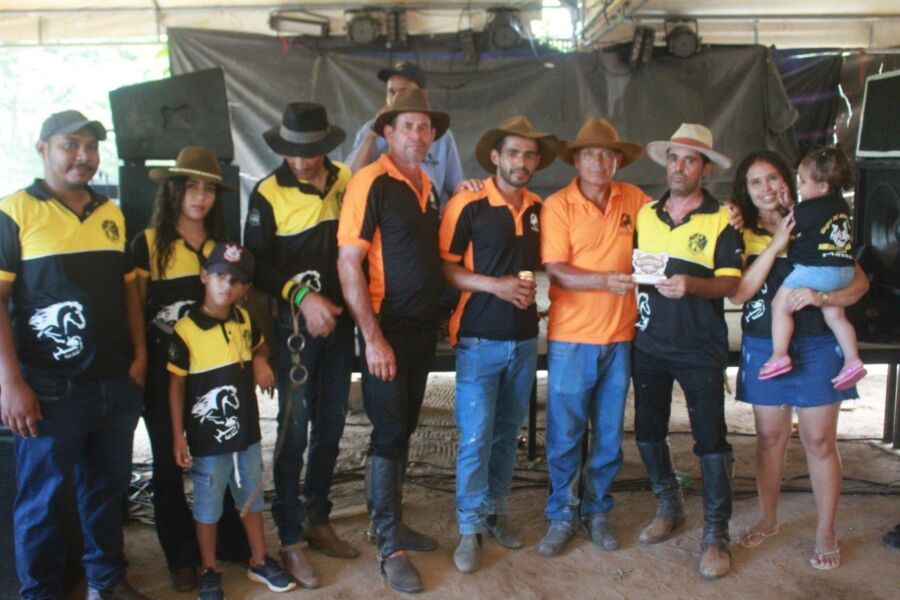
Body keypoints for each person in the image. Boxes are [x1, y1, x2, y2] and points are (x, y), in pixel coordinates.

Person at [0, 110, 148, 599]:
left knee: (106, 490)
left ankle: (105, 580)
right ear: (43, 149)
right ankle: (40, 593)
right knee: (42, 501)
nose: (83, 156)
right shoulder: (14, 213)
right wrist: (10, 382)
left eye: (91, 146)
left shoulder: (111, 213)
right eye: (70, 145)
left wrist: (140, 354)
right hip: (49, 388)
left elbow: (129, 291)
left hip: (115, 382)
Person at [729, 149, 869, 571]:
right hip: (764, 345)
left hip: (819, 345)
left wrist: (822, 297)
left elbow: (859, 283)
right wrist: (777, 243)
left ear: (790, 181)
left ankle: (825, 531)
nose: (766, 188)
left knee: (820, 441)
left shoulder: (821, 218)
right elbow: (740, 293)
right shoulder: (740, 231)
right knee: (770, 438)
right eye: (755, 182)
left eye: (773, 177)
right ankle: (768, 518)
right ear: (746, 191)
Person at [337, 87, 448, 593]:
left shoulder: (428, 185)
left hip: (422, 329)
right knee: (386, 433)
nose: (418, 135)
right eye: (408, 126)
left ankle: (392, 522)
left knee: (403, 428)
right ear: (387, 132)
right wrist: (372, 337)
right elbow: (349, 263)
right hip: (387, 327)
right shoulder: (369, 181)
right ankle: (388, 546)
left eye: (425, 127)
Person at [244, 103, 357, 588]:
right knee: (294, 430)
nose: (302, 161)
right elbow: (255, 267)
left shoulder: (346, 179)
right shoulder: (267, 193)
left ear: (325, 147)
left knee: (332, 424)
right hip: (294, 328)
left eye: (310, 152)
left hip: (341, 325)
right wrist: (302, 297)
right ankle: (290, 537)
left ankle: (318, 517)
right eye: (293, 152)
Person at [439, 116, 557, 573]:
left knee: (508, 433)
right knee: (475, 436)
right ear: (495, 157)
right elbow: (445, 268)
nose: (520, 162)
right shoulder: (467, 203)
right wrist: (496, 286)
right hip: (478, 338)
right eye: (512, 153)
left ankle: (496, 511)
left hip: (524, 339)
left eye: (529, 155)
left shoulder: (539, 209)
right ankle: (468, 527)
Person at [133, 146, 250, 591]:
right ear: (174, 191)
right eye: (191, 187)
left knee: (220, 454)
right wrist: (140, 357)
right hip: (166, 374)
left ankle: (227, 539)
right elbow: (134, 308)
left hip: (214, 372)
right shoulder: (148, 245)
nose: (200, 197)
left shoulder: (223, 249)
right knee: (169, 461)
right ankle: (181, 555)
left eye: (209, 189)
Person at [631, 123, 743, 579]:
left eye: (690, 160)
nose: (679, 167)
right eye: (674, 158)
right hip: (648, 343)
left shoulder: (722, 218)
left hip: (700, 346)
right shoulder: (645, 214)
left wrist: (693, 285)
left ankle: (716, 532)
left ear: (705, 169)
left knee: (710, 438)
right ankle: (669, 504)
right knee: (646, 431)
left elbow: (732, 283)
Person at [537, 118, 649, 557]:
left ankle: (598, 510)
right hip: (571, 337)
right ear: (576, 161)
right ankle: (563, 513)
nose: (598, 162)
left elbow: (671, 221)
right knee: (565, 434)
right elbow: (556, 270)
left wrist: (724, 211)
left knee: (607, 434)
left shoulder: (634, 199)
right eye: (589, 155)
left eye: (606, 154)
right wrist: (605, 281)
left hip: (620, 336)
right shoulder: (558, 205)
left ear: (617, 160)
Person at [168, 242, 296, 598]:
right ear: (204, 276)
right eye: (220, 276)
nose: (227, 285)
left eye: (236, 280)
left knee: (252, 496)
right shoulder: (186, 330)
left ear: (246, 288)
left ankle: (259, 559)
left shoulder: (243, 320)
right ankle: (209, 568)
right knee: (208, 505)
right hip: (208, 441)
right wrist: (178, 434)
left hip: (247, 435)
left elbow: (259, 345)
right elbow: (176, 385)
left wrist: (261, 360)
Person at [759, 146, 865, 391]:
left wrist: (775, 217)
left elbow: (787, 228)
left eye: (803, 182)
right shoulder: (840, 204)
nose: (799, 186)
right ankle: (852, 360)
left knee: (779, 305)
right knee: (835, 315)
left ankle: (779, 354)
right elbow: (812, 218)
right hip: (844, 271)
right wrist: (792, 204)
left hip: (816, 269)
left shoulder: (806, 210)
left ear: (823, 186)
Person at [346, 60, 464, 207]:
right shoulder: (369, 130)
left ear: (423, 94)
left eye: (403, 92)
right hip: (380, 213)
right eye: (391, 92)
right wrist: (373, 134)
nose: (395, 98)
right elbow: (349, 180)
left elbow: (456, 188)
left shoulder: (442, 136)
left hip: (427, 211)